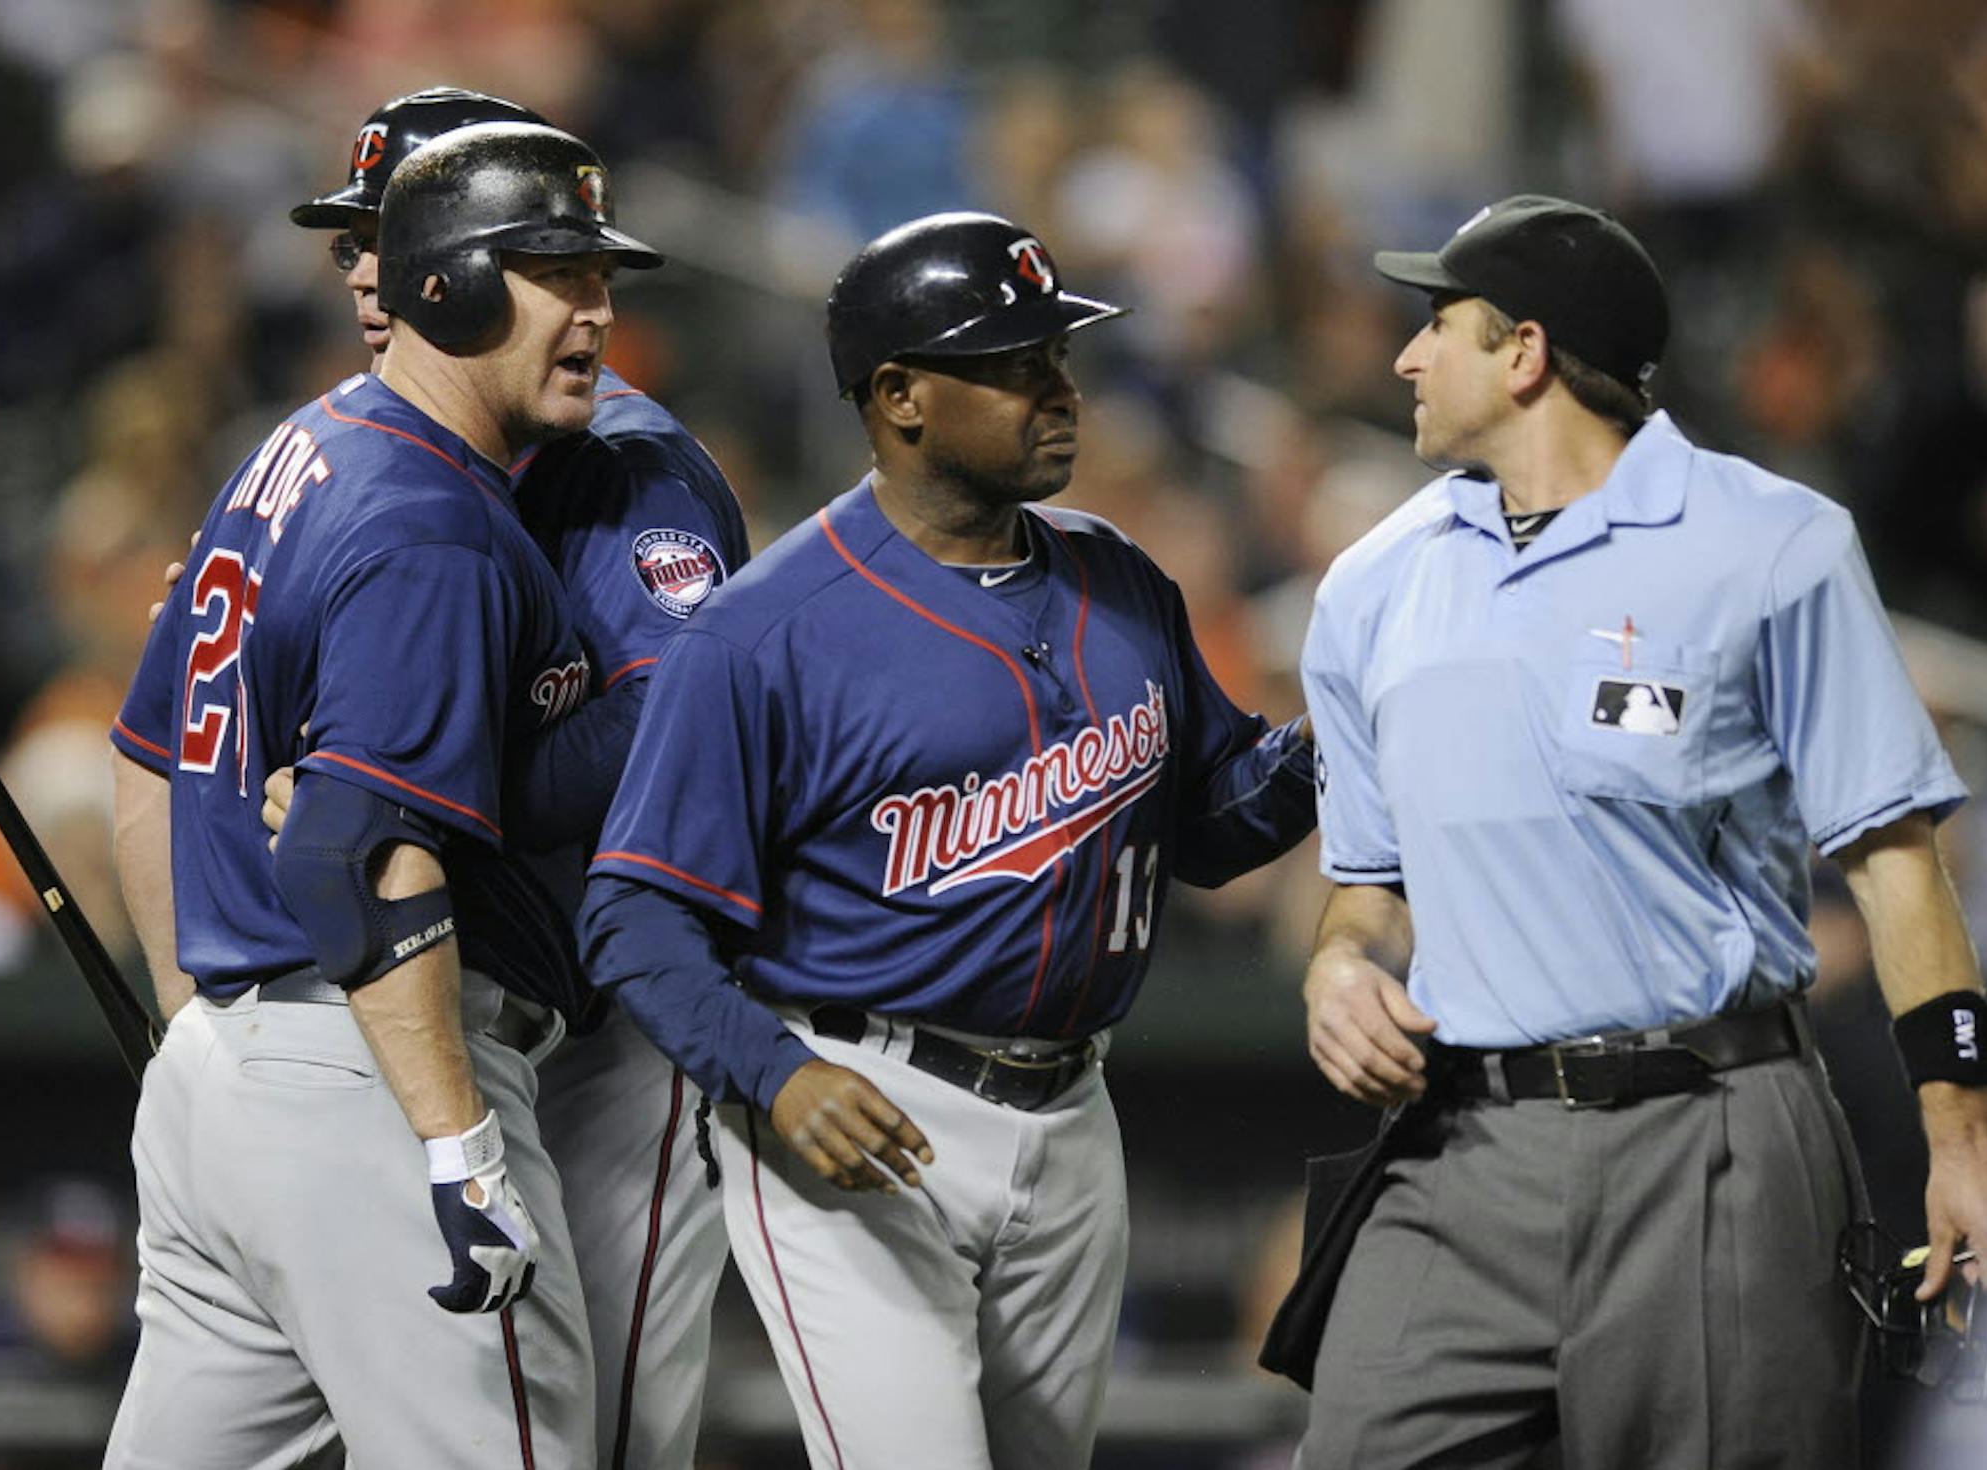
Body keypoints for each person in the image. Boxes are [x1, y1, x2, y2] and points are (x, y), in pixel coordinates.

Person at [577, 211, 1319, 1470]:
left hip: (1077, 1110)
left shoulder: (1120, 579)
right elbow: (635, 916)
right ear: (901, 396)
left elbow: (1210, 825)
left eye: (1055, 354)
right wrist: (772, 1072)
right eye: (1013, 362)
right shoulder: (763, 633)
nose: (1057, 388)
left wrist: (1345, 745)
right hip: (857, 1100)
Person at [1295, 193, 1987, 1468]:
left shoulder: (1772, 545)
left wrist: (1964, 1139)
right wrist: (1340, 962)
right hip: (1460, 1152)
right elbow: (1366, 882)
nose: (1405, 355)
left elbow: (1895, 870)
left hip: (1710, 1133)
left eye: (1435, 322)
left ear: (1525, 353)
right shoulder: (1370, 586)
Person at [104, 120, 663, 1468]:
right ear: (447, 285)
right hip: (381, 1077)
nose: (596, 309)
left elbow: (154, 750)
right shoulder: (433, 522)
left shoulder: (295, 444)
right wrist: (455, 1140)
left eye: (599, 275)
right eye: (553, 273)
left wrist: (199, 1021)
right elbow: (358, 852)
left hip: (232, 1081)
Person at [285, 86, 745, 1470]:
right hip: (427, 997)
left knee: (592, 1431)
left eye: (389, 229)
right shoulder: (356, 445)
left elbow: (681, 721)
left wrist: (418, 791)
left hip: (619, 1014)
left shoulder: (618, 458)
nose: (368, 270)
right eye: (354, 236)